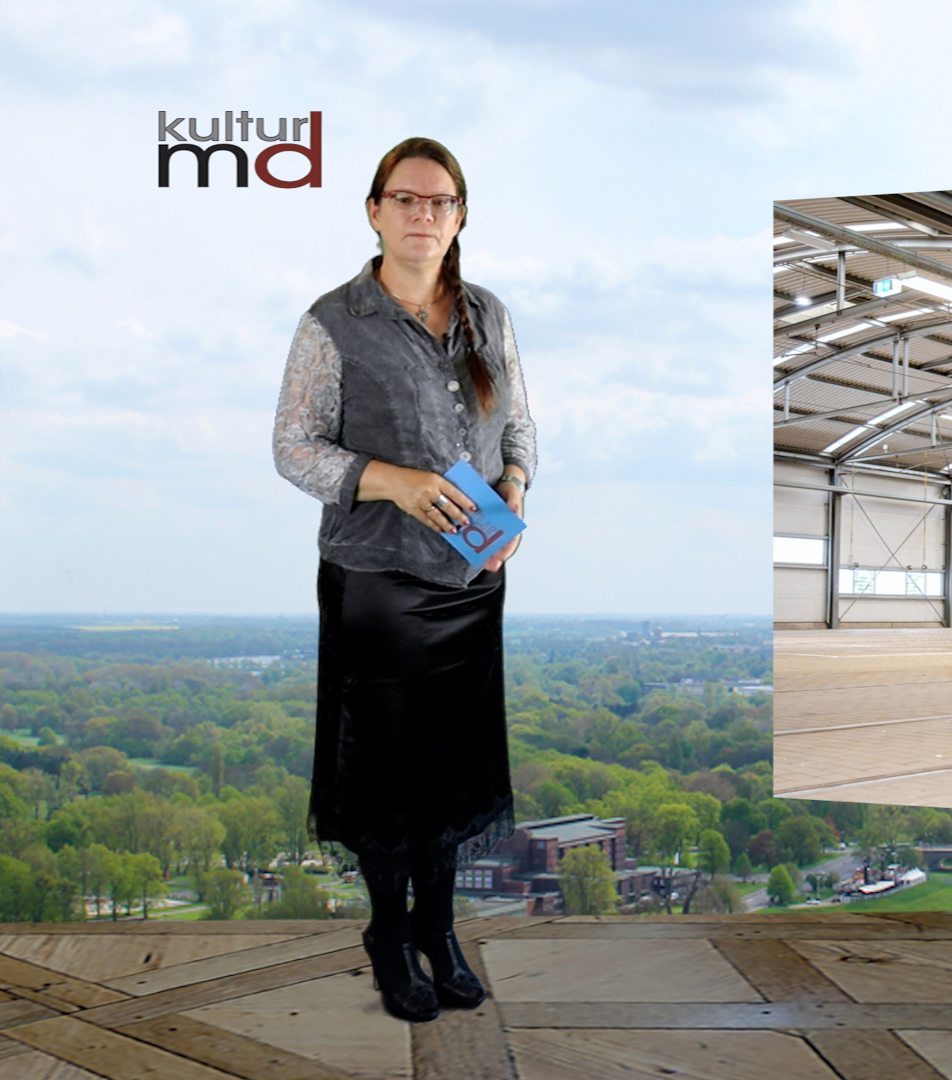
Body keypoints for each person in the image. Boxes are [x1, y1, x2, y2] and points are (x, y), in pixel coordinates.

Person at [272, 138, 535, 1024]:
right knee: (385, 775)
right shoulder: (332, 320)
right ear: (375, 210)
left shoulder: (488, 316)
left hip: (470, 583)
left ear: (460, 217)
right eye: (406, 199)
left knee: (452, 770)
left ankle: (440, 929)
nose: (424, 215)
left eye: (441, 202)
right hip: (375, 581)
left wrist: (514, 499)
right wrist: (397, 482)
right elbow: (293, 449)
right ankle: (389, 937)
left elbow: (521, 430)